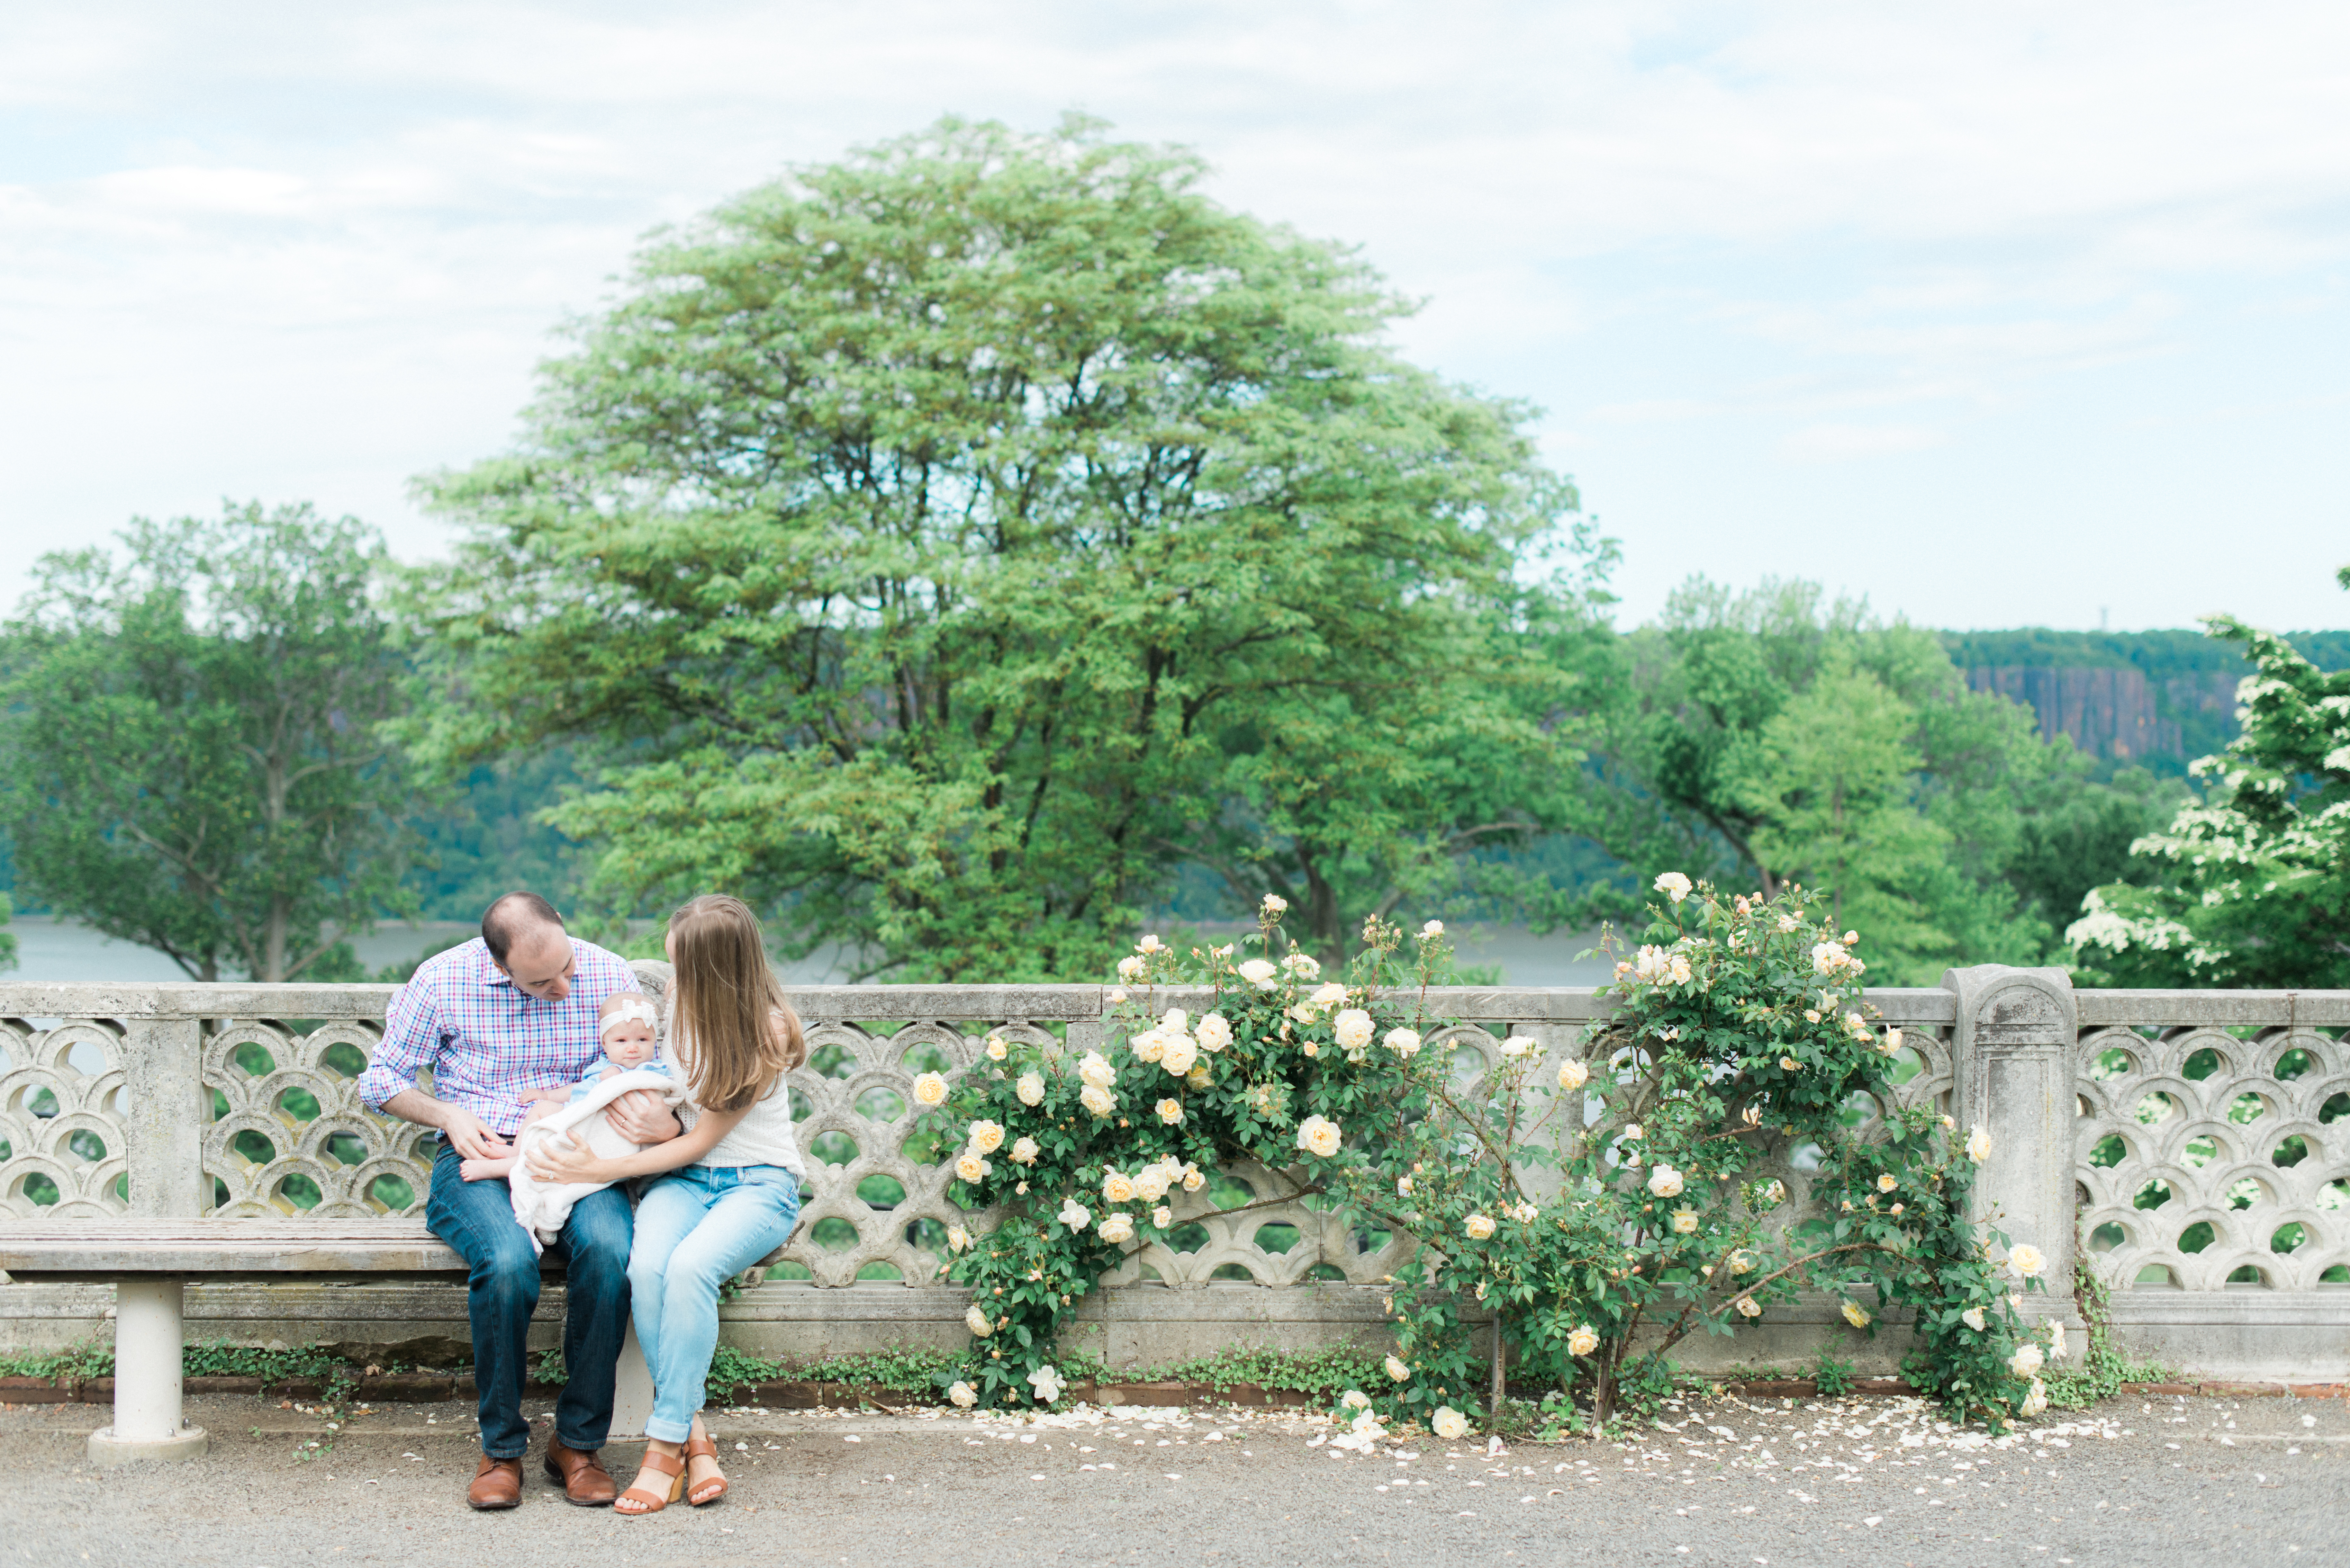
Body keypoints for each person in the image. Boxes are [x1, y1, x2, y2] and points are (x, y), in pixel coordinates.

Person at [358, 891, 682, 1511]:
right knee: (508, 1264)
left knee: (612, 1253)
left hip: (574, 1156)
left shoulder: (608, 972)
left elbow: (642, 1072)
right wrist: (448, 1114)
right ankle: (501, 1451)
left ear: (563, 925)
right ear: (499, 966)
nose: (565, 987)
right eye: (541, 981)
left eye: (567, 969)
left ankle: (578, 1446)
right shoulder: (442, 980)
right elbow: (382, 1081)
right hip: (478, 1157)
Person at [524, 892, 806, 1515]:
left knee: (688, 1271)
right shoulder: (676, 1007)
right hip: (683, 1181)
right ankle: (697, 1438)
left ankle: (663, 1445)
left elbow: (697, 1142)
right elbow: (653, 1094)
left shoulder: (767, 1029)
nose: (671, 975)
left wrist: (598, 1167)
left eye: (682, 965)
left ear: (717, 970)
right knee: (645, 1269)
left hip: (757, 1183)